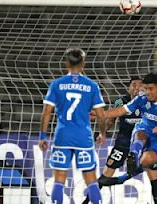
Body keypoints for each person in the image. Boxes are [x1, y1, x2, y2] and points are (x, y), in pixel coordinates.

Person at [38, 48, 107, 204]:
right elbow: (101, 115)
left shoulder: (57, 84)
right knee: (91, 180)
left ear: (66, 63)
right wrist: (102, 133)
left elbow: (46, 112)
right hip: (84, 137)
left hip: (63, 136)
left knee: (59, 180)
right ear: (84, 64)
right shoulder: (92, 86)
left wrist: (43, 136)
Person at [83, 77, 157, 204]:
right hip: (123, 144)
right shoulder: (120, 102)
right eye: (134, 85)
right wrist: (102, 133)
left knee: (154, 177)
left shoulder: (150, 103)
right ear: (128, 88)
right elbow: (110, 120)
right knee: (105, 176)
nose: (137, 87)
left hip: (144, 146)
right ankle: (86, 201)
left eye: (140, 85)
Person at [104, 71, 157, 183]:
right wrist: (102, 114)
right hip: (144, 128)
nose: (147, 92)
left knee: (146, 161)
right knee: (140, 134)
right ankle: (134, 154)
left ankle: (122, 178)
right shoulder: (141, 98)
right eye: (145, 88)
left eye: (150, 89)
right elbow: (121, 110)